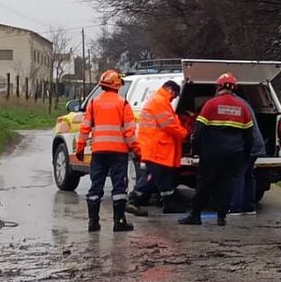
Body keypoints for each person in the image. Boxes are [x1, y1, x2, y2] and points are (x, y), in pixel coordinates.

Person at [182, 73, 262, 226]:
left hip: (212, 152)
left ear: (218, 87)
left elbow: (199, 130)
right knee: (227, 184)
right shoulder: (242, 107)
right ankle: (221, 217)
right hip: (234, 153)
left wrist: (195, 148)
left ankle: (195, 215)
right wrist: (245, 153)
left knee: (204, 183)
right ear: (234, 88)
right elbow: (249, 135)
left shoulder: (211, 104)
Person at [77, 69, 137, 233]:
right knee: (119, 186)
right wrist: (136, 150)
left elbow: (84, 128)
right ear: (117, 85)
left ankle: (93, 222)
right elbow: (130, 132)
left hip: (98, 151)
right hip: (118, 152)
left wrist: (80, 148)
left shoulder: (93, 103)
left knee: (96, 185)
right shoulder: (123, 104)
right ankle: (119, 222)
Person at [128, 79, 184, 214]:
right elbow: (169, 124)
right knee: (152, 177)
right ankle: (133, 200)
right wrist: (184, 133)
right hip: (156, 149)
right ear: (170, 90)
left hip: (156, 148)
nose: (173, 99)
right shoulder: (159, 101)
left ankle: (169, 204)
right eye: (174, 95)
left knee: (162, 178)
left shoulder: (159, 100)